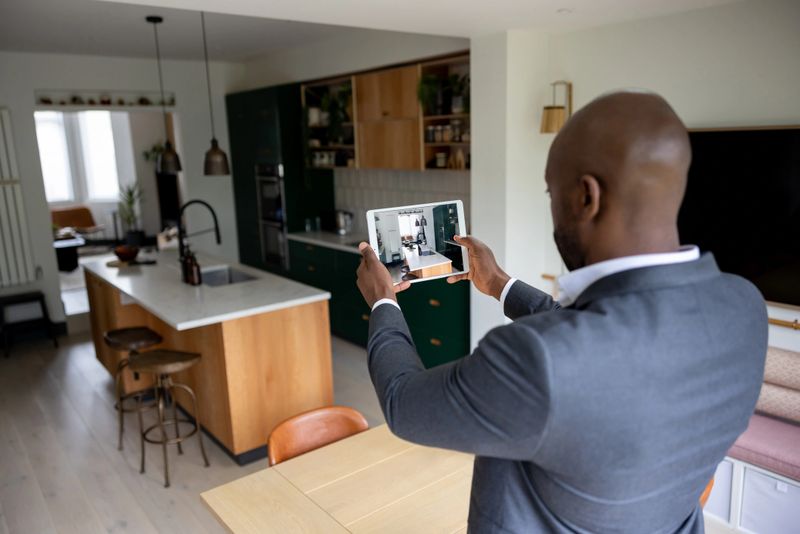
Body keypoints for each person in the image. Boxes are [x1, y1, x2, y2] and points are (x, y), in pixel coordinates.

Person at [356, 91, 767, 533]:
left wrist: (383, 301)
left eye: (552, 192)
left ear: (586, 197)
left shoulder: (538, 358)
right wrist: (498, 284)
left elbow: (403, 404)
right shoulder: (742, 307)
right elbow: (586, 338)